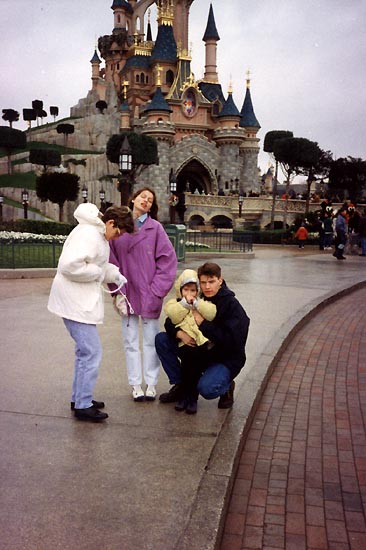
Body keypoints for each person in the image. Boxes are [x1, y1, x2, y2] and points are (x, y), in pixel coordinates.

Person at [48, 203, 134, 422]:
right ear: (111, 222)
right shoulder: (90, 234)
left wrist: (114, 274)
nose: (117, 237)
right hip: (75, 301)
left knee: (84, 352)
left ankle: (80, 398)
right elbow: (69, 266)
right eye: (118, 232)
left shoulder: (97, 234)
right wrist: (98, 273)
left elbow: (96, 264)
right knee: (91, 352)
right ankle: (83, 404)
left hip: (77, 301)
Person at [109, 187, 177, 402]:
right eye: (142, 197)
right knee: (130, 341)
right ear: (133, 199)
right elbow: (110, 260)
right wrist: (117, 291)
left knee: (150, 341)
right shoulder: (119, 227)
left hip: (149, 293)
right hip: (127, 292)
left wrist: (156, 291)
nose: (146, 201)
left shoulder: (155, 228)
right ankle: (135, 384)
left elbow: (167, 260)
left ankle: (151, 383)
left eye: (150, 200)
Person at [156, 262, 250, 410]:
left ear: (220, 280)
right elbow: (171, 321)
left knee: (207, 388)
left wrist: (203, 324)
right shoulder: (197, 295)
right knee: (162, 339)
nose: (207, 287)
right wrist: (179, 333)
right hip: (200, 352)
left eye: (211, 282)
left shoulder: (232, 306)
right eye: (203, 282)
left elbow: (233, 342)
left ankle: (226, 386)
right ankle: (182, 385)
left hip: (225, 358)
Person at [164, 269, 217, 414]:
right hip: (184, 344)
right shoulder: (175, 303)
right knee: (186, 368)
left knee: (194, 370)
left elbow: (212, 313)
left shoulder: (202, 303)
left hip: (200, 344)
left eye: (193, 290)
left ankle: (192, 398)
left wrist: (197, 304)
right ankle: (183, 396)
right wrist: (185, 305)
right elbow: (172, 318)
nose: (189, 294)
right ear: (180, 290)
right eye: (186, 289)